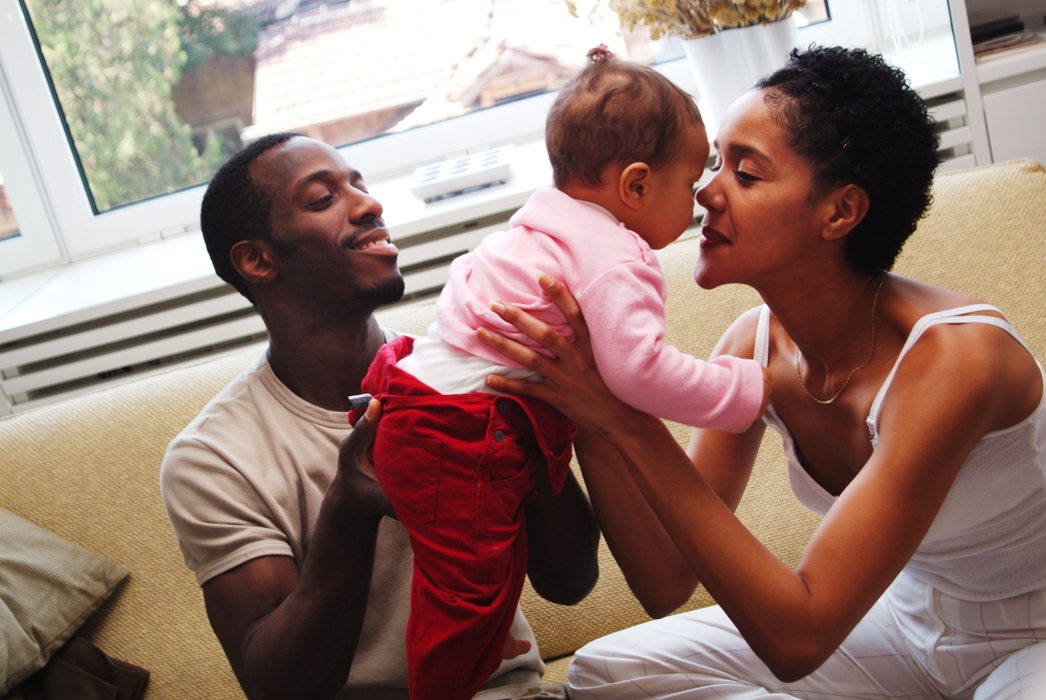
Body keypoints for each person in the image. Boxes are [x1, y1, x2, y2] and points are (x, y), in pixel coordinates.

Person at [475, 46, 1046, 699]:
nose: (704, 190)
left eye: (744, 173)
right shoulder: (754, 347)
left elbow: (798, 638)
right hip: (899, 627)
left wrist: (631, 424)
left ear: (840, 212)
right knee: (608, 673)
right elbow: (664, 581)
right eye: (713, 161)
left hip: (1029, 642)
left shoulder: (958, 360)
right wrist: (593, 413)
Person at [351, 47, 771, 700]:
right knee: (468, 604)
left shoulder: (535, 227)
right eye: (690, 185)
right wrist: (744, 392)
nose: (700, 202)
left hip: (408, 393)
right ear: (634, 186)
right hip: (465, 428)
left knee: (464, 594)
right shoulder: (616, 256)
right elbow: (639, 373)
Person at [159, 133, 600, 700]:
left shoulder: (465, 375)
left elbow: (570, 582)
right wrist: (349, 503)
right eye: (323, 199)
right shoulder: (212, 458)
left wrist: (526, 416)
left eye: (360, 185)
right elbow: (279, 687)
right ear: (257, 260)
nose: (369, 205)